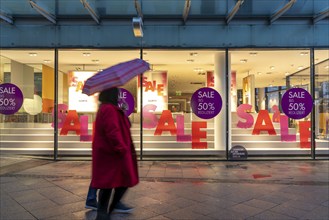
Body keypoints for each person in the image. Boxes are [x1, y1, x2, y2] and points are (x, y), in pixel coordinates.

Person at [91, 87, 139, 220]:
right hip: (112, 154)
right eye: (117, 94)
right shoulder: (109, 109)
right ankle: (105, 212)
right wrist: (121, 148)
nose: (118, 97)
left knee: (111, 184)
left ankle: (105, 212)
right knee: (120, 181)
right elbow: (113, 131)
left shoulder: (107, 108)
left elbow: (121, 126)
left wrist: (122, 113)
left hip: (109, 154)